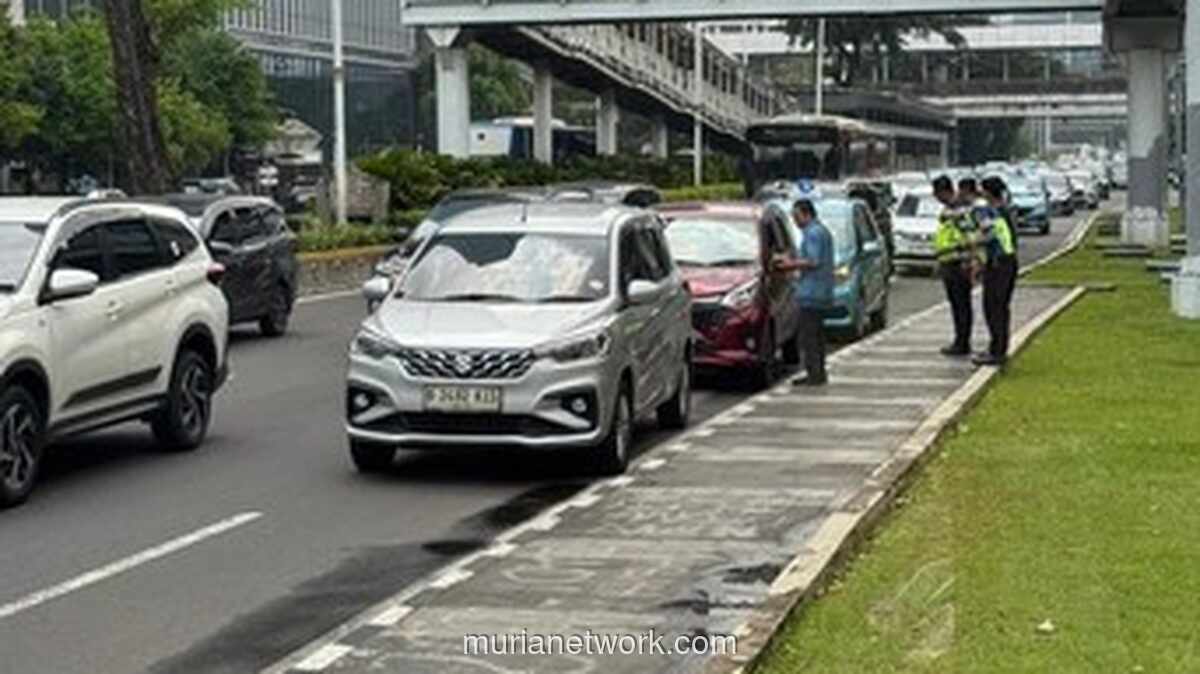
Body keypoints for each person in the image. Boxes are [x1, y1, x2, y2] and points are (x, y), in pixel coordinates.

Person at [772, 198, 835, 386]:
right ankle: (818, 372)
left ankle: (814, 374)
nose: (795, 221)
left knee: (809, 337)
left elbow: (813, 261)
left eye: (797, 216)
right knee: (817, 335)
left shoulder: (813, 233)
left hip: (812, 293)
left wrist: (789, 265)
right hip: (820, 291)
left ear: (807, 214)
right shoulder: (821, 231)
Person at [932, 175, 977, 356]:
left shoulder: (959, 211)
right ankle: (960, 340)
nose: (935, 196)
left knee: (961, 305)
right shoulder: (949, 210)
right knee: (957, 305)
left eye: (936, 192)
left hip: (959, 264)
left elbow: (969, 237)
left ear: (943, 191)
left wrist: (970, 262)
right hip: (949, 262)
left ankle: (962, 342)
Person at [975, 177, 1018, 366]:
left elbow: (989, 237)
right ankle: (996, 347)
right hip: (1002, 263)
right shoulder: (1003, 210)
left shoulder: (996, 213)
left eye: (982, 189)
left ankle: (998, 351)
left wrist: (973, 242)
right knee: (996, 307)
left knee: (995, 307)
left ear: (988, 192)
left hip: (1000, 265)